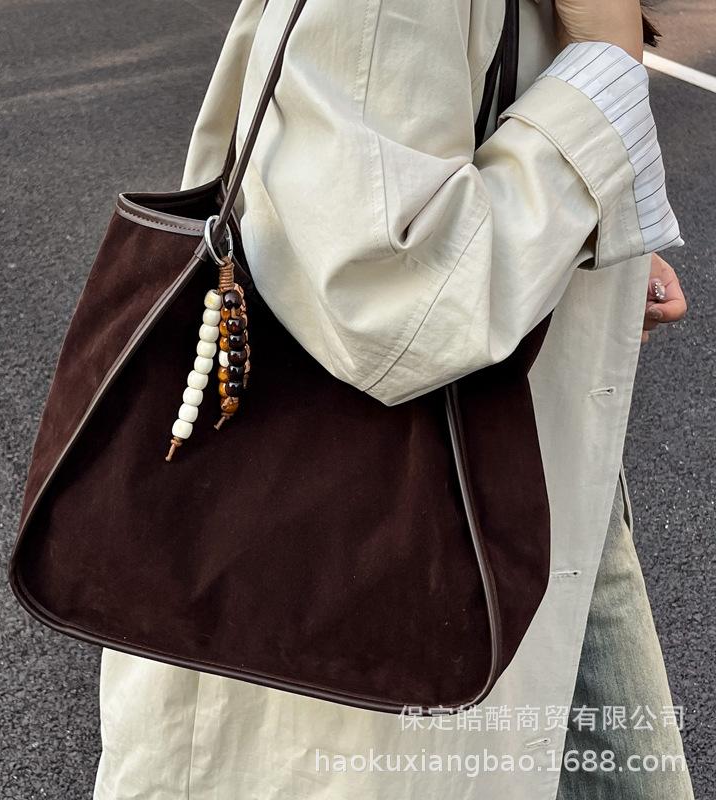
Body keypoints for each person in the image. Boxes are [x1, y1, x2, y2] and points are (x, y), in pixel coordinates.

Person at [93, 0, 694, 797]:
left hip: (538, 492)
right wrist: (608, 59)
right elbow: (386, 295)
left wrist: (592, 249)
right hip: (421, 525)